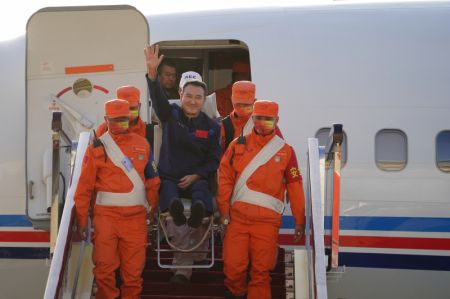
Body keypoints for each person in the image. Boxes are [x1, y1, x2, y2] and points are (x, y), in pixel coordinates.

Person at [144, 44, 221, 283]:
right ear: (181, 96)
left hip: (196, 178)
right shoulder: (170, 116)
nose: (193, 101)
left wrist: (198, 175)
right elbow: (157, 99)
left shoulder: (212, 127)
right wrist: (152, 74)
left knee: (201, 199)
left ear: (203, 101)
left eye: (198, 97)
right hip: (170, 177)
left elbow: (213, 159)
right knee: (172, 202)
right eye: (188, 96)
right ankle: (182, 268)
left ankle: (199, 242)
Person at [217, 100, 306, 299]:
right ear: (252, 118)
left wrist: (299, 220)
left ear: (277, 120)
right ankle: (236, 293)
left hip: (267, 223)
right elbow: (224, 179)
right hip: (237, 220)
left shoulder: (286, 151)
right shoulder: (236, 145)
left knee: (261, 272)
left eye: (268, 119)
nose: (262, 122)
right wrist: (223, 212)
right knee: (233, 267)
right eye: (258, 118)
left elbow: (295, 187)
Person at [74, 99, 160, 299]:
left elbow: (153, 181)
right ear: (106, 119)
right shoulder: (97, 147)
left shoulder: (143, 145)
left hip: (136, 219)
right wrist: (81, 219)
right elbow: (84, 187)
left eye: (124, 120)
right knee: (104, 269)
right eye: (115, 121)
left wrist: (152, 210)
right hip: (106, 218)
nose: (120, 124)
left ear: (130, 118)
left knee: (133, 274)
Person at [221, 81, 283, 153]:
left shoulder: (266, 123)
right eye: (238, 104)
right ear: (231, 100)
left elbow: (280, 148)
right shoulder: (224, 126)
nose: (241, 107)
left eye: (246, 105)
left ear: (254, 102)